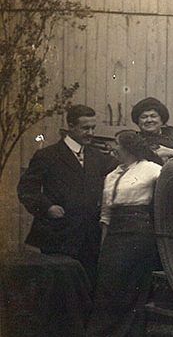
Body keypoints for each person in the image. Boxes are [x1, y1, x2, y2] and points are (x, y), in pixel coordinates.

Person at [83, 130, 163, 337]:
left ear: (128, 147)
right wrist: (104, 243)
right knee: (107, 286)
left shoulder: (151, 169)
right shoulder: (111, 175)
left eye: (116, 144)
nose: (112, 149)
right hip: (115, 233)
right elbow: (106, 214)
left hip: (139, 232)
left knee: (130, 287)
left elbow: (167, 195)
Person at [17, 104, 118, 287]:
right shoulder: (47, 155)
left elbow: (126, 166)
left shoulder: (98, 157)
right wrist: (47, 208)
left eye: (93, 128)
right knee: (59, 287)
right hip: (58, 234)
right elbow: (26, 188)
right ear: (71, 126)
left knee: (86, 286)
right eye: (85, 128)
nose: (90, 133)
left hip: (89, 236)